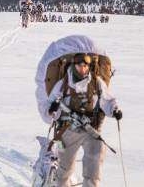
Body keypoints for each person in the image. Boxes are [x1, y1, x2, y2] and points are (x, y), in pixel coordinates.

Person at [47, 53, 122, 187]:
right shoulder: (63, 83)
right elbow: (50, 106)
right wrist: (53, 108)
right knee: (65, 169)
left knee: (96, 157)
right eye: (79, 65)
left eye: (85, 66)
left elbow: (107, 100)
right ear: (74, 66)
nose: (83, 69)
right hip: (68, 130)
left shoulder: (96, 81)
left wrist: (114, 109)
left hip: (91, 129)